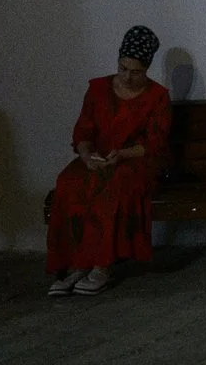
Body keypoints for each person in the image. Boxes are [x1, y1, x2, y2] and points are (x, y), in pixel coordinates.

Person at [46, 25, 173, 296]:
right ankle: (77, 263)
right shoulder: (98, 89)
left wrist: (122, 154)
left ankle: (102, 266)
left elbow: (155, 144)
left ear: (146, 69)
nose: (128, 76)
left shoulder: (157, 97)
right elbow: (83, 130)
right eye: (123, 68)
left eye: (136, 71)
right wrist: (85, 154)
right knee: (70, 182)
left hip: (136, 161)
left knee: (114, 187)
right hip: (99, 157)